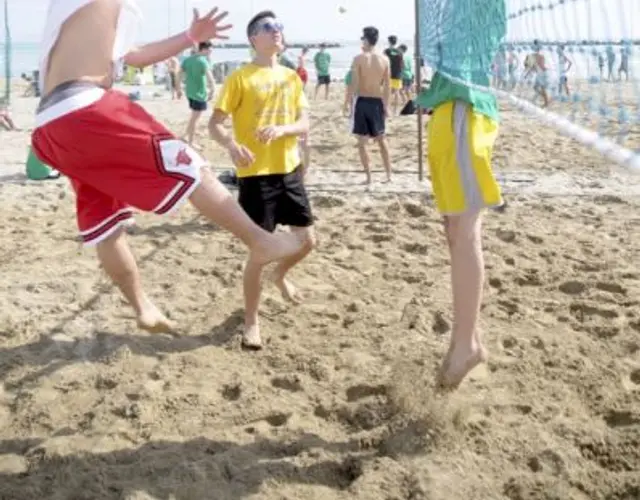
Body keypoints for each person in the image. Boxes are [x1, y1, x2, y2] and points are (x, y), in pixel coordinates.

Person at [30, 0, 304, 334]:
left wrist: (190, 36)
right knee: (186, 162)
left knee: (105, 222)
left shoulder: (79, 17)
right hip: (83, 106)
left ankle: (143, 307)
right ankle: (259, 239)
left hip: (50, 125)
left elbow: (134, 55)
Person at [209, 10, 315, 349]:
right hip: (256, 175)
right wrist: (231, 145)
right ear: (254, 37)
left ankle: (280, 276)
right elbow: (215, 123)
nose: (277, 33)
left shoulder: (290, 76)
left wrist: (283, 129)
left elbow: (304, 123)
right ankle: (251, 322)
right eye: (270, 28)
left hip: (289, 170)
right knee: (259, 252)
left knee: (308, 242)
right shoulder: (240, 77)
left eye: (280, 27)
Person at [416, 0, 506, 389]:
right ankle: (469, 339)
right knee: (454, 230)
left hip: (465, 112)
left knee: (465, 229)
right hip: (451, 109)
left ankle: (466, 343)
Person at [344, 26, 392, 184]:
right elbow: (387, 86)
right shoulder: (385, 60)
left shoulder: (359, 58)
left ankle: (369, 178)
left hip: (363, 101)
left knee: (362, 142)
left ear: (365, 40)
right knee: (381, 139)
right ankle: (388, 175)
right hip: (377, 101)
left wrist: (348, 102)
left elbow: (354, 83)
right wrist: (386, 106)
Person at [181, 40, 215, 149]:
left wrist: (178, 88)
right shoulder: (203, 61)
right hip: (199, 94)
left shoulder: (188, 60)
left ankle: (186, 135)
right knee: (195, 119)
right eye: (210, 49)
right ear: (204, 49)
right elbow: (210, 78)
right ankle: (191, 142)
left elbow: (179, 74)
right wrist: (213, 90)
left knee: (193, 117)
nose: (211, 51)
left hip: (190, 92)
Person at [384, 35, 404, 115]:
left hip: (389, 73)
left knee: (387, 92)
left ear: (389, 42)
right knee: (397, 92)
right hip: (398, 74)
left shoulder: (386, 51)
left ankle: (387, 110)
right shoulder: (400, 52)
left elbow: (384, 62)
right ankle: (395, 111)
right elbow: (402, 64)